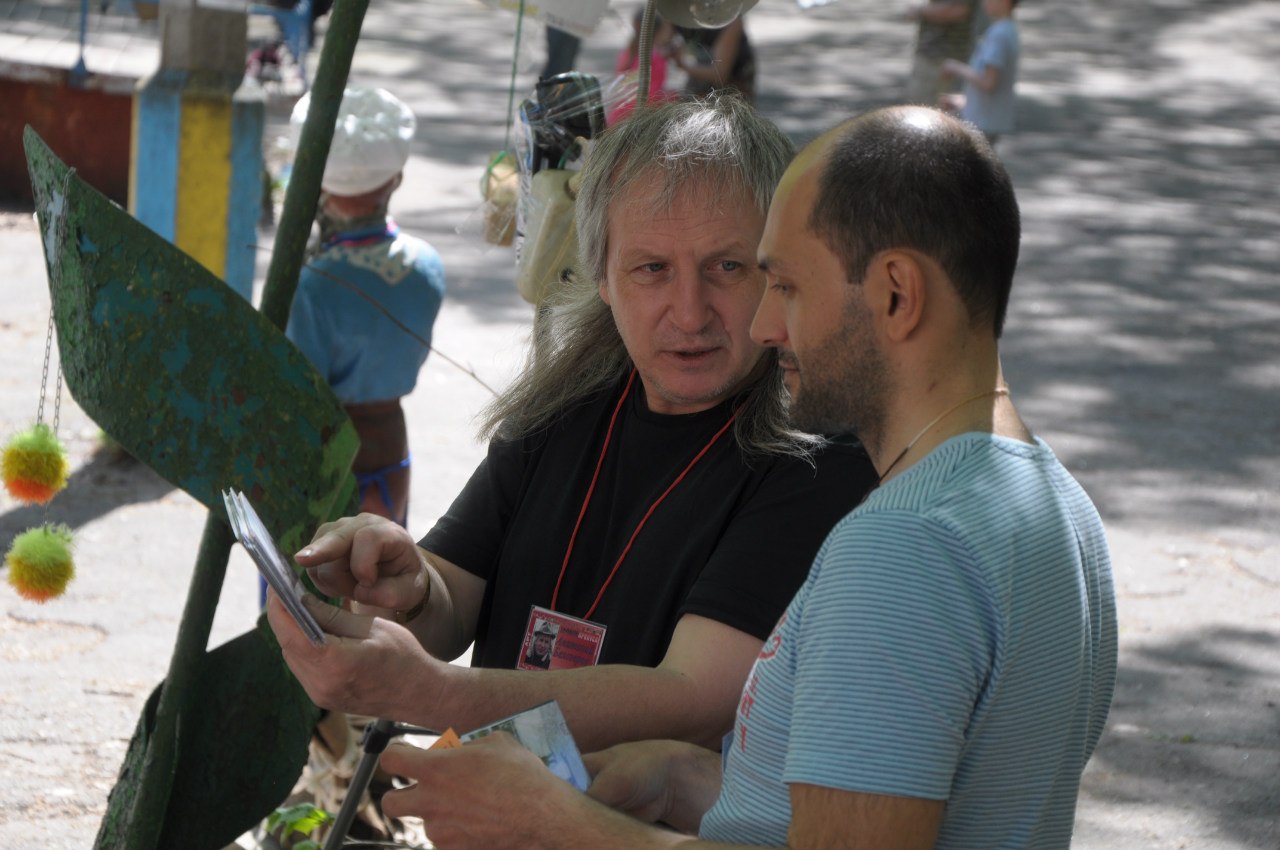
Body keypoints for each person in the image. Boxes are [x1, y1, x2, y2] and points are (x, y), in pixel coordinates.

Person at [373, 105, 1118, 850]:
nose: (765, 325)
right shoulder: (1054, 502)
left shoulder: (901, 549)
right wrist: (681, 775)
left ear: (896, 292)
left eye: (785, 285)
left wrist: (553, 819)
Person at [267, 95, 878, 757]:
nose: (690, 311)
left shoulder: (816, 452)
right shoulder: (567, 405)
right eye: (652, 269)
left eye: (727, 267)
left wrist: (434, 694)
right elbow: (447, 604)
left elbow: (695, 699)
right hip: (497, 801)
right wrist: (406, 584)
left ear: (778, 275)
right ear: (604, 278)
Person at [286, 86, 446, 526]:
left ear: (318, 184)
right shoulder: (427, 264)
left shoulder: (314, 285)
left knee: (314, 570)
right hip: (391, 449)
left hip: (330, 459)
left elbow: (300, 392)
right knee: (384, 562)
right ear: (395, 178)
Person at [940, 0, 1021, 146]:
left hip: (982, 123)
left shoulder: (999, 35)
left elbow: (988, 82)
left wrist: (955, 67)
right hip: (987, 119)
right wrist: (965, 101)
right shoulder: (1008, 29)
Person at [606, 8, 679, 125]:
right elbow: (651, 94)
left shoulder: (629, 52)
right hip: (639, 116)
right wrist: (670, 97)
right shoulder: (654, 58)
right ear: (659, 31)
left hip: (620, 114)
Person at [902, 0, 979, 106]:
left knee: (927, 110)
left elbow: (958, 10)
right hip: (934, 57)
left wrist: (919, 10)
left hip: (942, 60)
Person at [672, 18, 756, 101]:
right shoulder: (685, 16)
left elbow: (719, 74)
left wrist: (683, 65)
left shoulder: (731, 20)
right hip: (700, 89)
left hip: (729, 93)